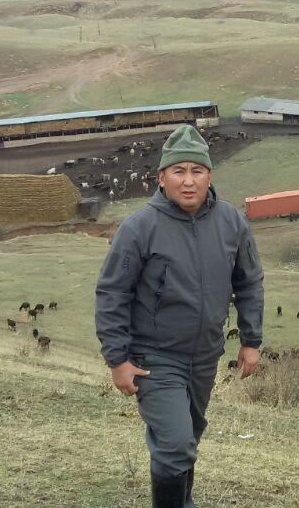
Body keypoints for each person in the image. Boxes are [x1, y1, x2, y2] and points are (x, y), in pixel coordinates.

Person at [95, 124, 264, 508]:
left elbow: (249, 281)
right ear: (161, 177)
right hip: (155, 359)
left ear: (209, 176)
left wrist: (251, 340)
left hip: (205, 356)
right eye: (179, 171)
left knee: (188, 437)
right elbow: (112, 293)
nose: (188, 181)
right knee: (174, 444)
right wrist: (117, 359)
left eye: (197, 171)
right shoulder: (139, 228)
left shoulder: (231, 222)